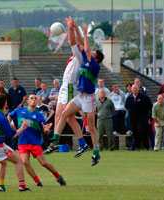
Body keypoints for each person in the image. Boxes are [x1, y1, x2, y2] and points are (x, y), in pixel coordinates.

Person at [50, 19, 104, 166]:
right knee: (65, 114)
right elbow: (80, 45)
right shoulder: (86, 60)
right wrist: (75, 28)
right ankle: (55, 139)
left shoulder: (93, 65)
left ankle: (96, 152)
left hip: (89, 98)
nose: (90, 51)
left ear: (96, 58)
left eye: (93, 53)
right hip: (79, 95)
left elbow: (84, 48)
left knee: (91, 127)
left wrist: (85, 33)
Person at [44, 17, 84, 154]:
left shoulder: (80, 56)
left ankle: (56, 141)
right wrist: (74, 27)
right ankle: (78, 144)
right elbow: (75, 41)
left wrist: (70, 28)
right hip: (64, 88)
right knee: (60, 116)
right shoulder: (74, 57)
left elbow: (74, 41)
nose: (71, 44)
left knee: (66, 116)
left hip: (70, 87)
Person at [8, 94, 66, 187]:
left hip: (35, 143)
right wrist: (10, 124)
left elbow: (45, 130)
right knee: (25, 162)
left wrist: (46, 130)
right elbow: (9, 116)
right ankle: (37, 182)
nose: (34, 100)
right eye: (31, 98)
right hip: (22, 143)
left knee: (43, 163)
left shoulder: (39, 115)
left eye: (35, 98)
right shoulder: (20, 110)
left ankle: (58, 176)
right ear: (28, 101)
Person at [0, 94, 31, 192]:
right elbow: (13, 135)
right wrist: (23, 127)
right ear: (5, 104)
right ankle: (22, 187)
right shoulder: (3, 118)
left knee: (3, 162)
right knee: (18, 161)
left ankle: (1, 186)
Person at [125, 84, 152, 151]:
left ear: (138, 89)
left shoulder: (144, 97)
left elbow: (150, 106)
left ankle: (146, 147)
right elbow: (126, 106)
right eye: (133, 88)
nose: (134, 90)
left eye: (136, 88)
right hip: (132, 118)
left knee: (142, 131)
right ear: (131, 89)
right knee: (135, 132)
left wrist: (148, 116)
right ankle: (137, 147)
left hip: (142, 117)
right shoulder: (129, 98)